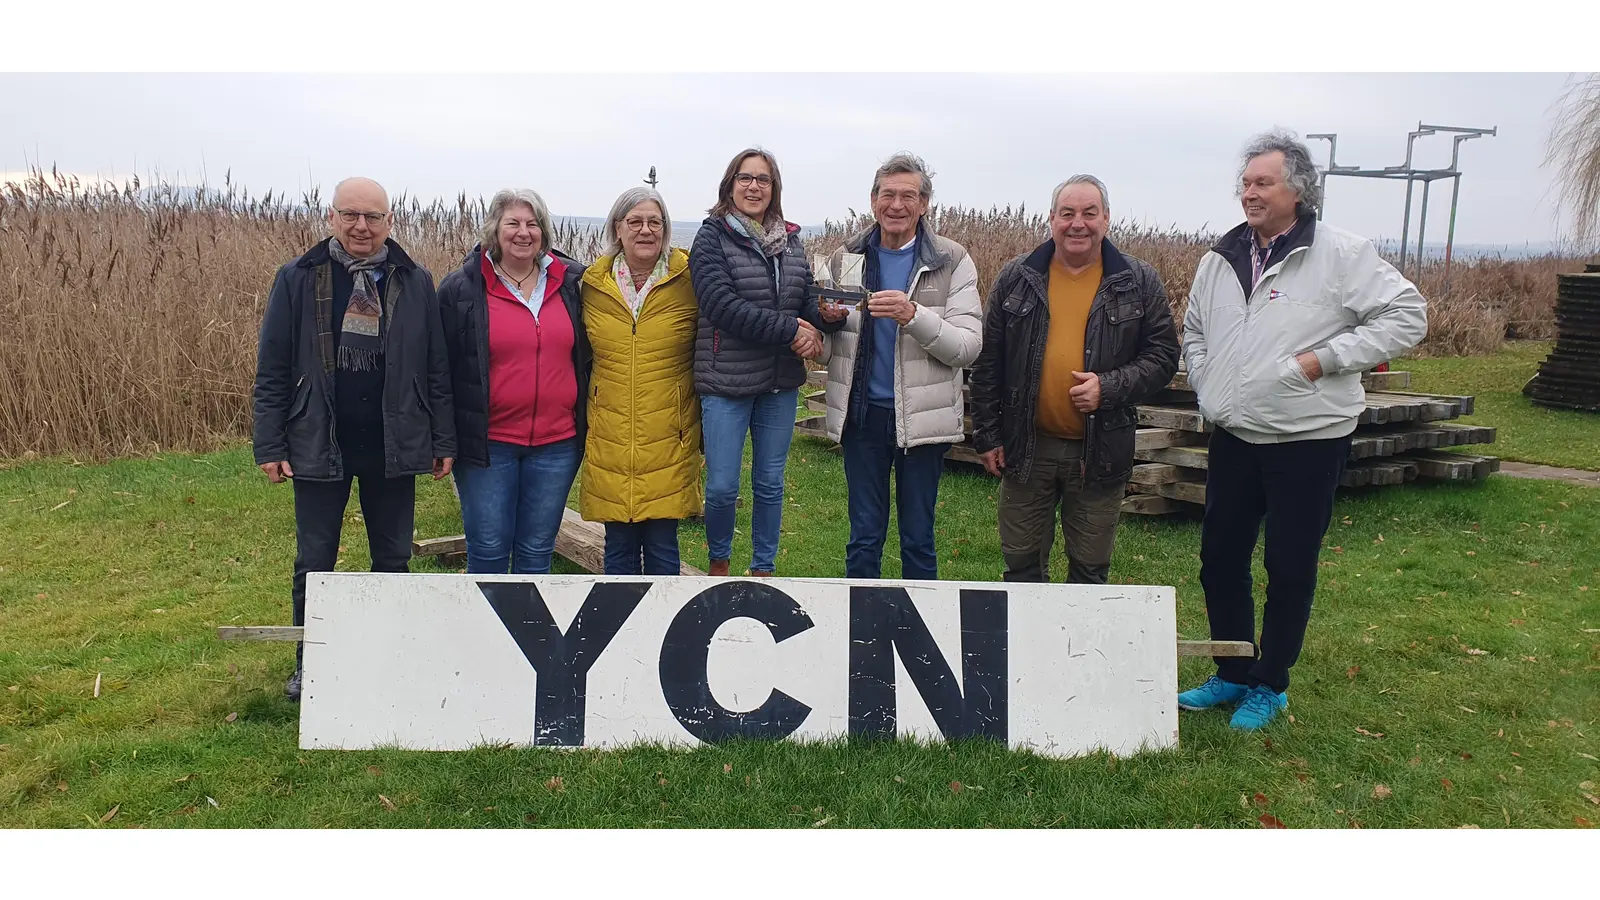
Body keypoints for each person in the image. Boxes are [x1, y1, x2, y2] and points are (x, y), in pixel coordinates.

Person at [1176, 129, 1427, 730]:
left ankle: (1270, 683)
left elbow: (1408, 314)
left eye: (1263, 183)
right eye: (1245, 184)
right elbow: (1194, 331)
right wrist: (1210, 388)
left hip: (1308, 438)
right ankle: (1232, 669)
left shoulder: (1341, 254)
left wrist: (1323, 361)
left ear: (1299, 190)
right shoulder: (1221, 258)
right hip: (1237, 435)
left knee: (1289, 565)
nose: (1249, 194)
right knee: (1219, 558)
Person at [252, 176, 456, 702]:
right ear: (331, 217)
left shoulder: (415, 280)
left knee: (392, 561)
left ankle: (390, 657)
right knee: (314, 562)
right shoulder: (297, 278)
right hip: (319, 441)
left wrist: (442, 438)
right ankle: (311, 664)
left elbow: (436, 367)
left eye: (373, 217)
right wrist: (270, 445)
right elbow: (273, 369)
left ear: (390, 221)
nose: (361, 226)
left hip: (393, 442)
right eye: (351, 215)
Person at [969, 174, 1179, 585]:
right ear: (1051, 219)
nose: (1077, 223)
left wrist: (1109, 387)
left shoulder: (1139, 281)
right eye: (1067, 213)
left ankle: (1080, 649)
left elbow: (1163, 357)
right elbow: (988, 361)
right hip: (1027, 449)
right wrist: (988, 436)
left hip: (1100, 449)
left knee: (1089, 569)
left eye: (1089, 213)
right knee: (1022, 565)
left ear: (1106, 219)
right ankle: (1029, 646)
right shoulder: (1018, 277)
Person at [816, 152, 982, 580]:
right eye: (887, 194)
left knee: (918, 539)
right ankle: (861, 632)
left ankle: (919, 636)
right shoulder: (846, 257)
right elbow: (825, 351)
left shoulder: (952, 260)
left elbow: (967, 347)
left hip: (922, 422)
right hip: (863, 417)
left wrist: (914, 315)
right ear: (873, 201)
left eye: (908, 195)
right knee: (864, 537)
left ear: (924, 204)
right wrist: (825, 323)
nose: (896, 205)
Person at [689, 148, 847, 577]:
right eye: (745, 178)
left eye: (763, 179)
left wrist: (824, 316)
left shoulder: (791, 240)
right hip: (726, 381)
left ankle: (764, 570)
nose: (754, 186)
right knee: (722, 487)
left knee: (770, 484)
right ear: (730, 185)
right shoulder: (711, 238)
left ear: (774, 188)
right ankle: (718, 563)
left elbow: (802, 297)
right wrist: (791, 330)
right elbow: (722, 306)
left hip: (779, 381)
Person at [437, 189, 591, 575]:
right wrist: (443, 438)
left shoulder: (573, 283)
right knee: (488, 550)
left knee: (537, 550)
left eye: (532, 223)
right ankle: (484, 635)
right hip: (488, 444)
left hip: (558, 444)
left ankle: (530, 634)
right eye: (513, 223)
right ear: (494, 229)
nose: (524, 232)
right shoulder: (461, 289)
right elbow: (440, 370)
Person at [578, 188, 700, 574]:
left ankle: (664, 632)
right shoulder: (592, 285)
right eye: (635, 221)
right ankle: (619, 630)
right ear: (618, 228)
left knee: (663, 545)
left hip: (669, 430)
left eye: (654, 222)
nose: (645, 230)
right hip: (611, 430)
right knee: (617, 546)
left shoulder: (690, 279)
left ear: (665, 229)